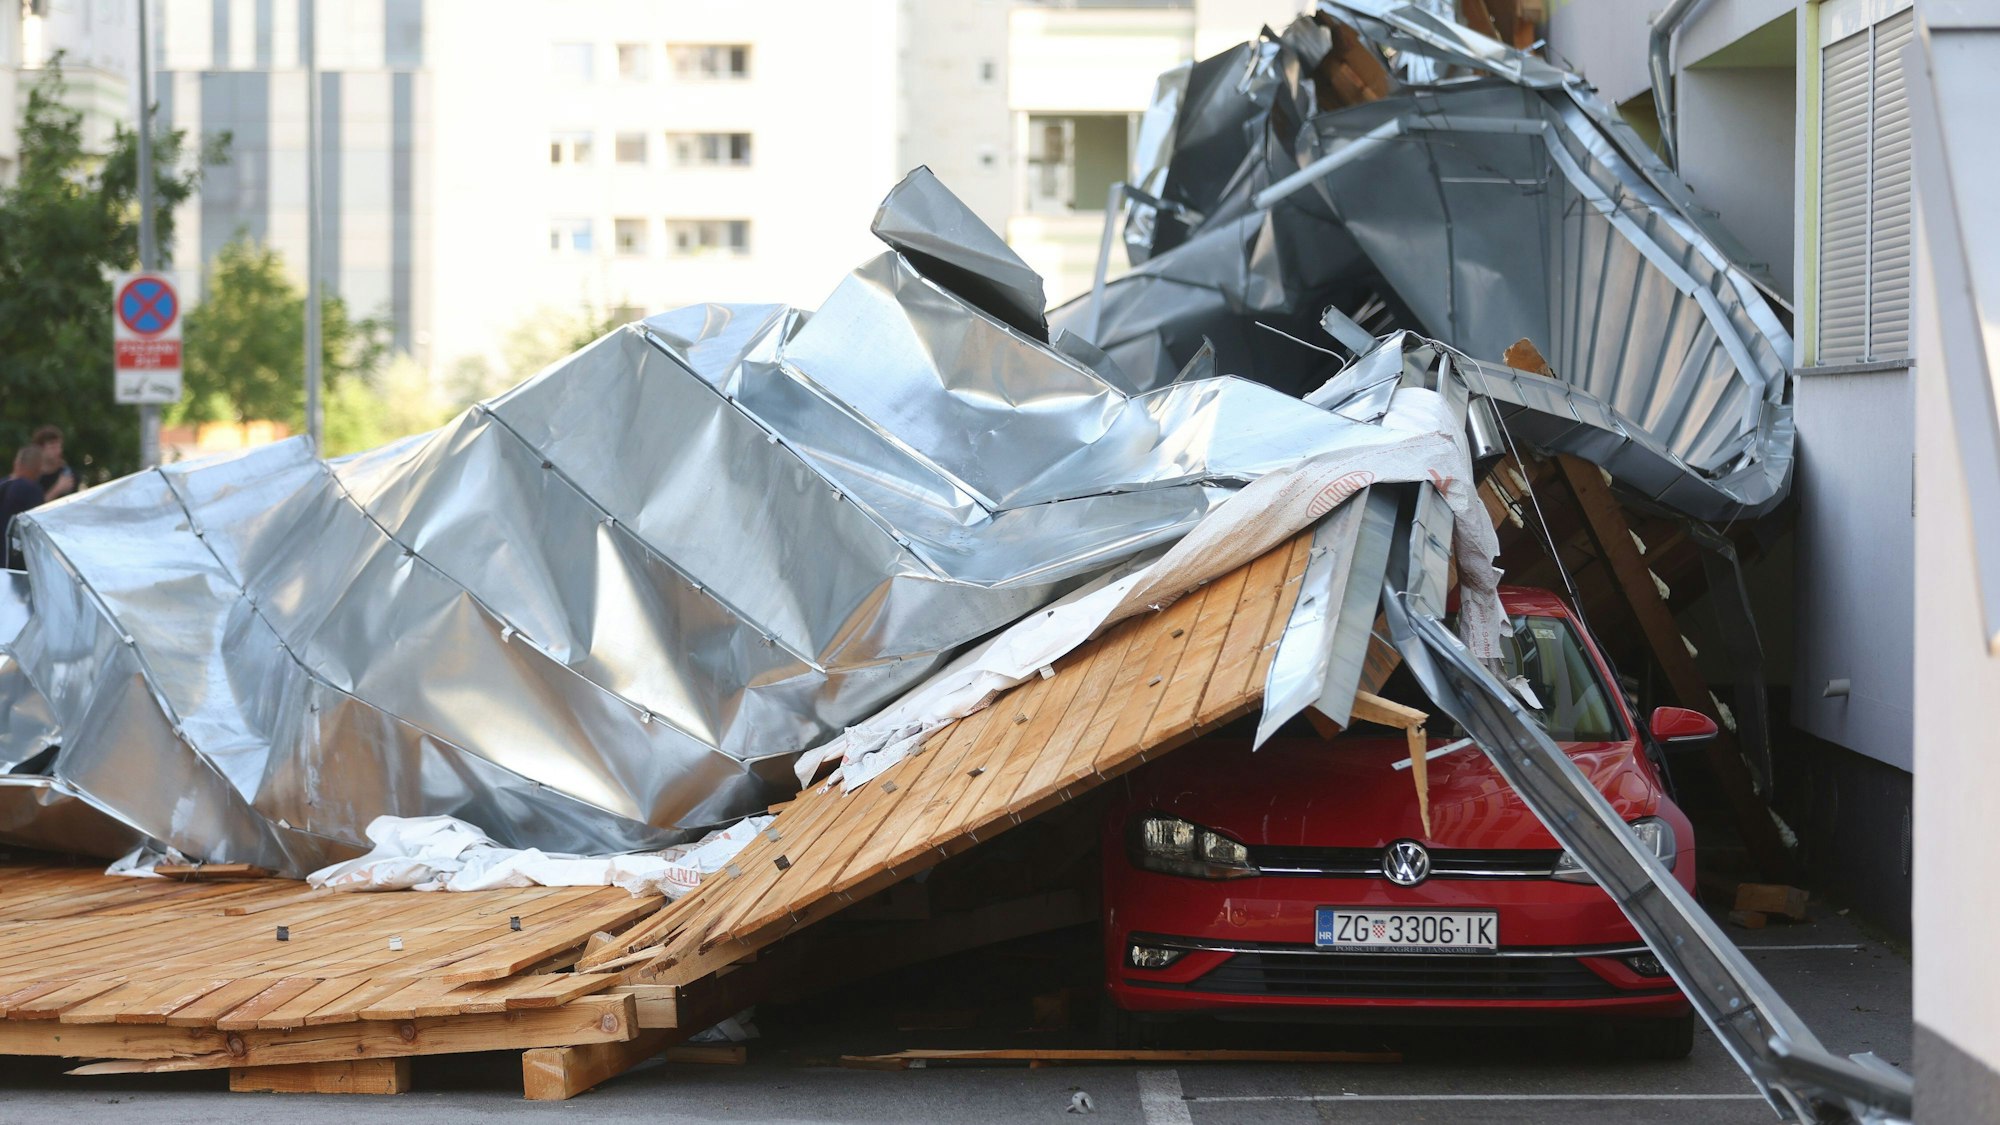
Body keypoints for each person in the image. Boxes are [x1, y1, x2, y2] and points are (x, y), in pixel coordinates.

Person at [1, 445, 47, 570]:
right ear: (38, 467)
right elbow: (41, 522)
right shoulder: (30, 490)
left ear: (17, 463)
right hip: (13, 561)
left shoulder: (3, 484)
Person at [32, 425, 76, 502]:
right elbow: (33, 509)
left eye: (59, 446)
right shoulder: (32, 477)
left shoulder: (68, 474)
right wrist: (57, 489)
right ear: (40, 450)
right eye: (52, 447)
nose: (58, 451)